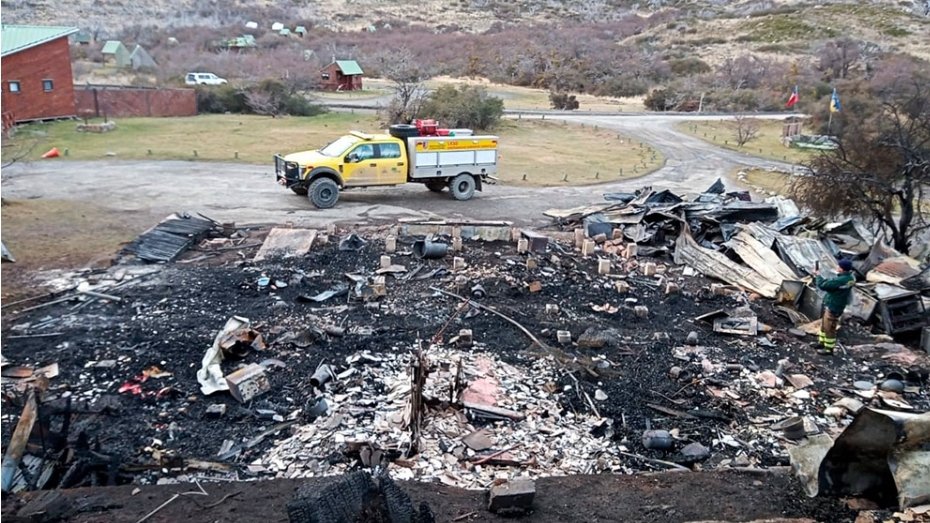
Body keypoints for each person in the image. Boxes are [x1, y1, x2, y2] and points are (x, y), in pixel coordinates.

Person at [813, 258, 856, 355]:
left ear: (842, 269)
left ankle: (829, 349)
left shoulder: (841, 280)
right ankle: (822, 343)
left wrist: (818, 275)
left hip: (834, 306)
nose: (837, 267)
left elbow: (823, 286)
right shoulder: (849, 278)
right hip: (836, 304)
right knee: (824, 325)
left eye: (839, 266)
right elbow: (829, 284)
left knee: (829, 328)